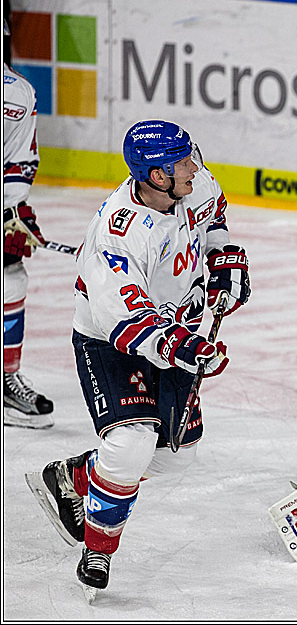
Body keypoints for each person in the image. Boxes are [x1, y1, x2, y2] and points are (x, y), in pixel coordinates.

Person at [30, 120, 251, 590]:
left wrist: (225, 260)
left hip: (177, 328)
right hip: (113, 339)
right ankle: (98, 550)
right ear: (155, 177)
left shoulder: (195, 183)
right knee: (131, 445)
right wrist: (182, 345)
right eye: (182, 162)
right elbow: (126, 322)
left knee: (177, 454)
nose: (195, 167)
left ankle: (77, 477)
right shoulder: (118, 235)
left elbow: (215, 222)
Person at [3, 47, 54, 429]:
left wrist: (12, 213)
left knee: (10, 274)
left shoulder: (17, 93)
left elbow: (18, 160)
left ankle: (5, 379)